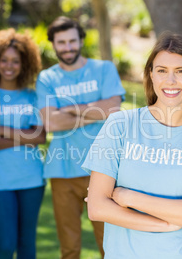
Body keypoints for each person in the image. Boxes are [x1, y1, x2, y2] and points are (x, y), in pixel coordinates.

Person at [82, 31, 182, 259]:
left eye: (180, 71)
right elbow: (97, 208)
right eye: (162, 70)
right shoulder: (119, 125)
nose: (170, 81)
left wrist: (126, 197)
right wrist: (168, 223)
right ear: (151, 74)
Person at [36, 16, 126, 259]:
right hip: (62, 170)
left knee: (110, 245)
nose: (67, 47)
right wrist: (95, 113)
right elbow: (51, 122)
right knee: (69, 246)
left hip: (103, 169)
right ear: (53, 44)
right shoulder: (47, 78)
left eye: (72, 41)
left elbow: (113, 110)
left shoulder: (103, 69)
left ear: (81, 40)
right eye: (61, 42)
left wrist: (69, 108)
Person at [0, 28, 46, 259]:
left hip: (32, 179)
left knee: (27, 247)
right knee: (5, 245)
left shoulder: (32, 96)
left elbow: (40, 137)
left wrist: (1, 130)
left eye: (16, 61)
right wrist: (23, 138)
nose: (9, 65)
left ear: (25, 64)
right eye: (4, 60)